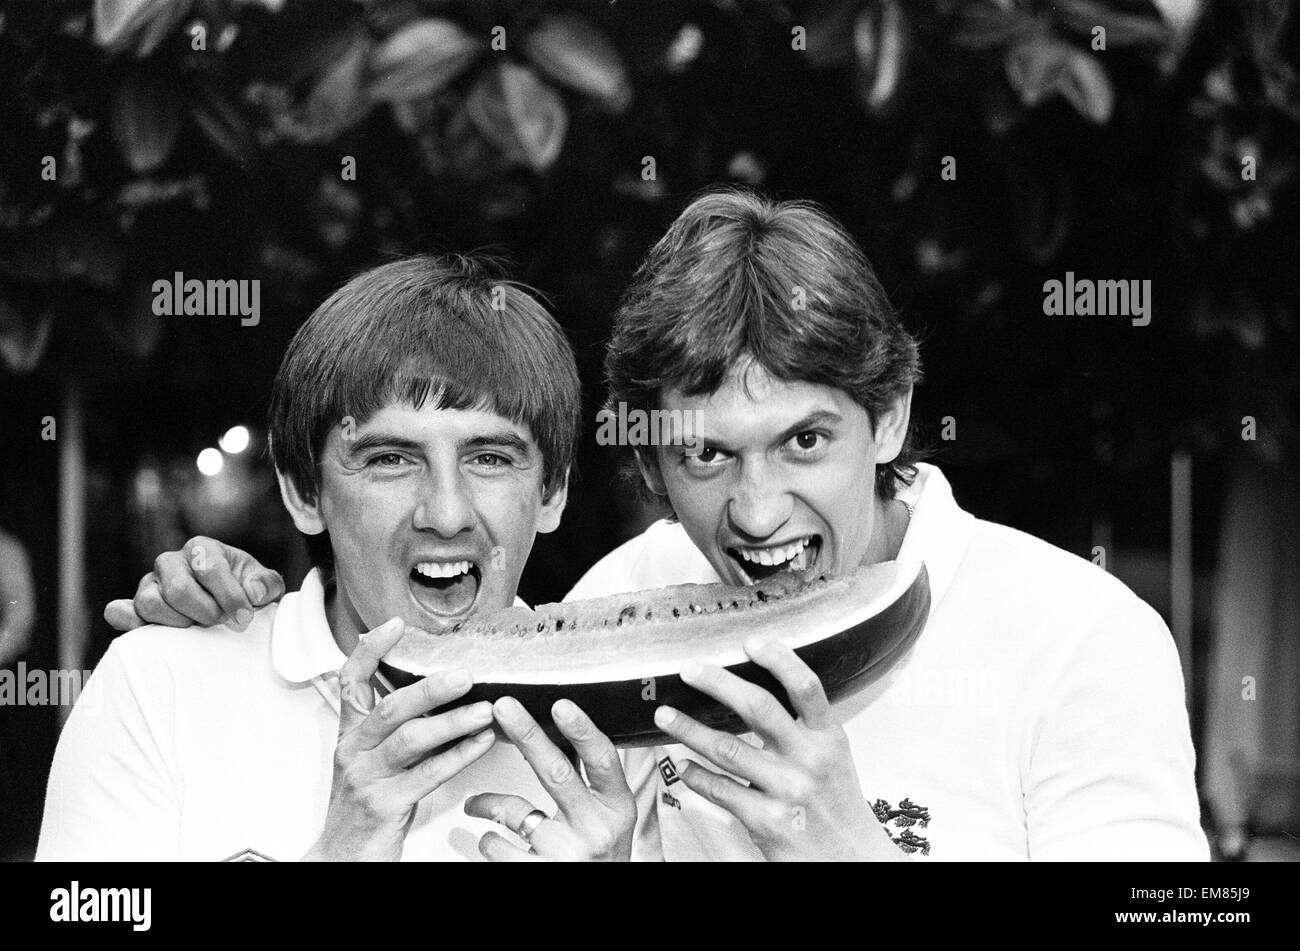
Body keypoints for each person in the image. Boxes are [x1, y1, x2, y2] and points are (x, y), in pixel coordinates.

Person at [107, 189, 1210, 861]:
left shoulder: (1085, 641)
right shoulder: (613, 606)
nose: (757, 507)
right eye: (705, 454)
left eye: (804, 441)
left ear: (892, 418)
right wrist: (233, 607)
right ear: (647, 459)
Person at [39, 255, 638, 862]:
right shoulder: (157, 686)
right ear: (304, 492)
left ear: (552, 491)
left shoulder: (626, 730)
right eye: (390, 459)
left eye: (489, 458)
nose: (447, 513)